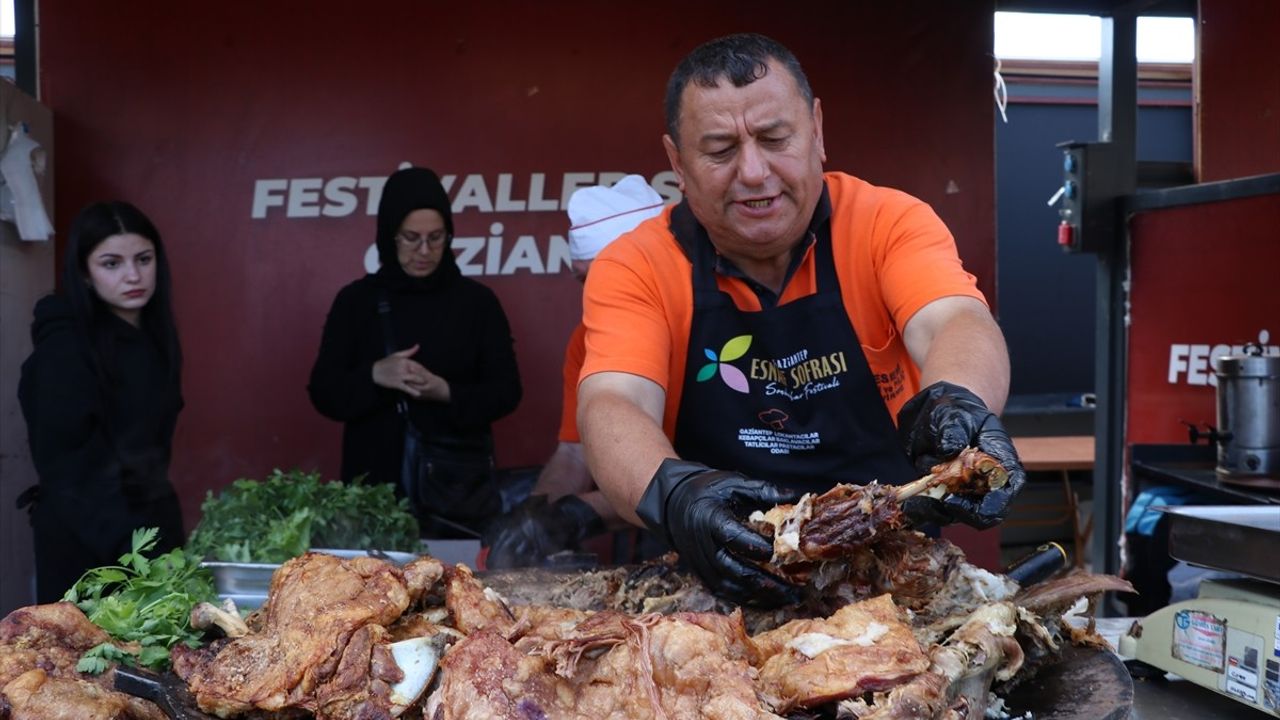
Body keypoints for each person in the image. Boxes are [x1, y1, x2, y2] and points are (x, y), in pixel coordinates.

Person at [576, 33, 1027, 607]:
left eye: (774, 138)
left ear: (816, 131)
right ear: (677, 162)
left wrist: (958, 402)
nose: (755, 172)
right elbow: (612, 403)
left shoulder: (887, 223)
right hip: (723, 581)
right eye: (719, 150)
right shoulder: (635, 265)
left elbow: (953, 320)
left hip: (891, 578)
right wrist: (675, 493)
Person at [309, 166, 522, 537]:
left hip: (455, 502)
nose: (424, 251)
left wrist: (446, 392)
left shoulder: (476, 303)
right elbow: (324, 392)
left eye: (436, 238)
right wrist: (375, 375)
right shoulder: (357, 301)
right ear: (388, 236)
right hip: (372, 503)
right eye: (411, 238)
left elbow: (507, 392)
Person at [483, 175, 665, 568]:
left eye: (609, 274)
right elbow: (574, 452)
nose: (595, 293)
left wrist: (578, 513)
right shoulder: (587, 340)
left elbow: (700, 467)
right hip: (644, 548)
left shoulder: (709, 325)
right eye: (584, 279)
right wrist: (535, 513)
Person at [18, 201, 186, 603]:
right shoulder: (65, 349)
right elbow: (69, 471)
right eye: (111, 263)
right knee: (82, 661)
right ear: (84, 273)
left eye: (144, 259)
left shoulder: (153, 339)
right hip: (86, 544)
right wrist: (137, 554)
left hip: (145, 537)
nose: (133, 275)